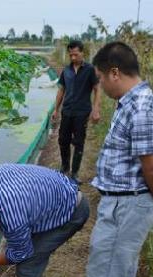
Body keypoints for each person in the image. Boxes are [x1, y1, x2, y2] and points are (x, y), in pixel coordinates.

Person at [85, 42, 153, 277]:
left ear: (114, 73)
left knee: (105, 275)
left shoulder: (141, 108)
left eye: (100, 77)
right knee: (119, 271)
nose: (100, 84)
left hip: (128, 205)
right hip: (125, 203)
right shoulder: (132, 103)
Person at [52, 40, 101, 184]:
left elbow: (97, 89)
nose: (73, 58)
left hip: (82, 112)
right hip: (66, 111)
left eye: (76, 54)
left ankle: (74, 173)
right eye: (71, 55)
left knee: (79, 142)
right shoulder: (66, 71)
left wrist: (96, 109)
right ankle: (64, 167)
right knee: (63, 140)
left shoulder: (90, 70)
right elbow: (61, 90)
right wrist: (56, 110)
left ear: (82, 53)